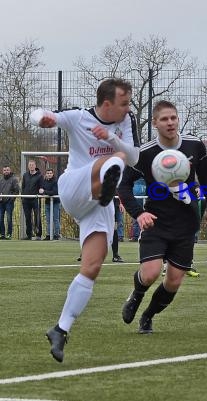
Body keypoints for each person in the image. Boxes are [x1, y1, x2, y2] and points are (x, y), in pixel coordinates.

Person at [34, 78, 140, 362]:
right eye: (124, 103)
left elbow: (134, 156)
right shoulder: (78, 117)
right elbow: (46, 115)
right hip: (74, 187)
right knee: (114, 158)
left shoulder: (125, 122)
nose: (128, 108)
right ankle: (107, 183)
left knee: (93, 265)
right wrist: (42, 118)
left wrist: (111, 138)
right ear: (107, 103)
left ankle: (60, 329)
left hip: (98, 204)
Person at [119, 100, 207, 334]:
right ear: (155, 123)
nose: (170, 122)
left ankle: (148, 316)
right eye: (164, 119)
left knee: (173, 281)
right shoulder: (144, 153)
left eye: (173, 117)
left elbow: (206, 178)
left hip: (185, 224)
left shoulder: (194, 146)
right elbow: (123, 187)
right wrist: (139, 213)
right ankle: (137, 294)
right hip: (156, 222)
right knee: (151, 273)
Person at [21, 159, 43, 240]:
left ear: (35, 166)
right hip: (26, 200)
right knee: (27, 217)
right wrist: (22, 196)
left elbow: (41, 187)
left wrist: (40, 193)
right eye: (30, 165)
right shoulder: (25, 175)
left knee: (37, 217)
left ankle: (38, 234)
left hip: (35, 199)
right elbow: (23, 187)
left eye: (32, 165)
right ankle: (29, 235)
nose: (31, 166)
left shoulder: (40, 176)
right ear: (28, 166)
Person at [39, 168, 61, 240]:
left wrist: (44, 191)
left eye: (50, 173)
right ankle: (48, 235)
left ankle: (56, 235)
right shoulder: (44, 181)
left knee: (56, 219)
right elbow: (41, 190)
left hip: (55, 203)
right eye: (48, 173)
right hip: (47, 203)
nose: (49, 174)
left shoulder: (55, 182)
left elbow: (54, 192)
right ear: (46, 174)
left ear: (53, 174)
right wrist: (41, 191)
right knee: (48, 220)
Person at [0, 165, 20, 240]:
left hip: (9, 202)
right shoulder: (1, 180)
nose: (6, 171)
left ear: (10, 170)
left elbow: (17, 191)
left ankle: (9, 234)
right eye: (4, 170)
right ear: (2, 171)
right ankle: (2, 234)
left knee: (9, 219)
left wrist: (11, 199)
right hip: (1, 203)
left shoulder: (14, 179)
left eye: (7, 170)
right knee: (0, 218)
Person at [111, 196, 125, 262]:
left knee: (114, 228)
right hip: (101, 203)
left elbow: (120, 189)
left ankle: (115, 255)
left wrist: (121, 203)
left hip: (114, 203)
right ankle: (85, 253)